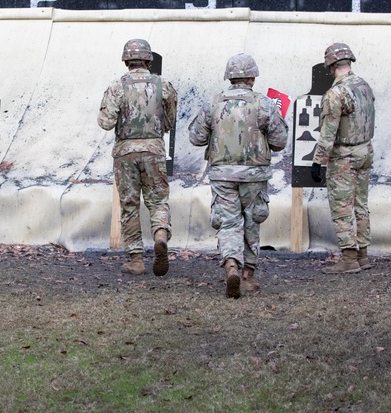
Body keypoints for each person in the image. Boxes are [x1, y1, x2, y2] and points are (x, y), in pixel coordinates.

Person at [188, 53, 288, 298]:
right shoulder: (264, 104)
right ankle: (247, 276)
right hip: (254, 175)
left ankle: (231, 264)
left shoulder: (214, 103)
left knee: (229, 222)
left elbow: (196, 137)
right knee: (252, 220)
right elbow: (280, 141)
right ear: (252, 77)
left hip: (222, 174)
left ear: (229, 77)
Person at [98, 39, 177, 276]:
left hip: (125, 154)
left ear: (126, 61)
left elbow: (105, 123)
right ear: (148, 60)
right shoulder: (164, 85)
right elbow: (170, 122)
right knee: (158, 200)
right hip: (154, 150)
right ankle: (160, 234)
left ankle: (136, 260)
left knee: (130, 205)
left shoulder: (117, 87)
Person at [310, 43, 375, 274]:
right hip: (365, 151)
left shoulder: (336, 93)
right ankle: (363, 255)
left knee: (342, 206)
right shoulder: (364, 86)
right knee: (360, 204)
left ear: (330, 66)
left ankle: (349, 259)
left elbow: (328, 132)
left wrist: (318, 161)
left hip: (344, 156)